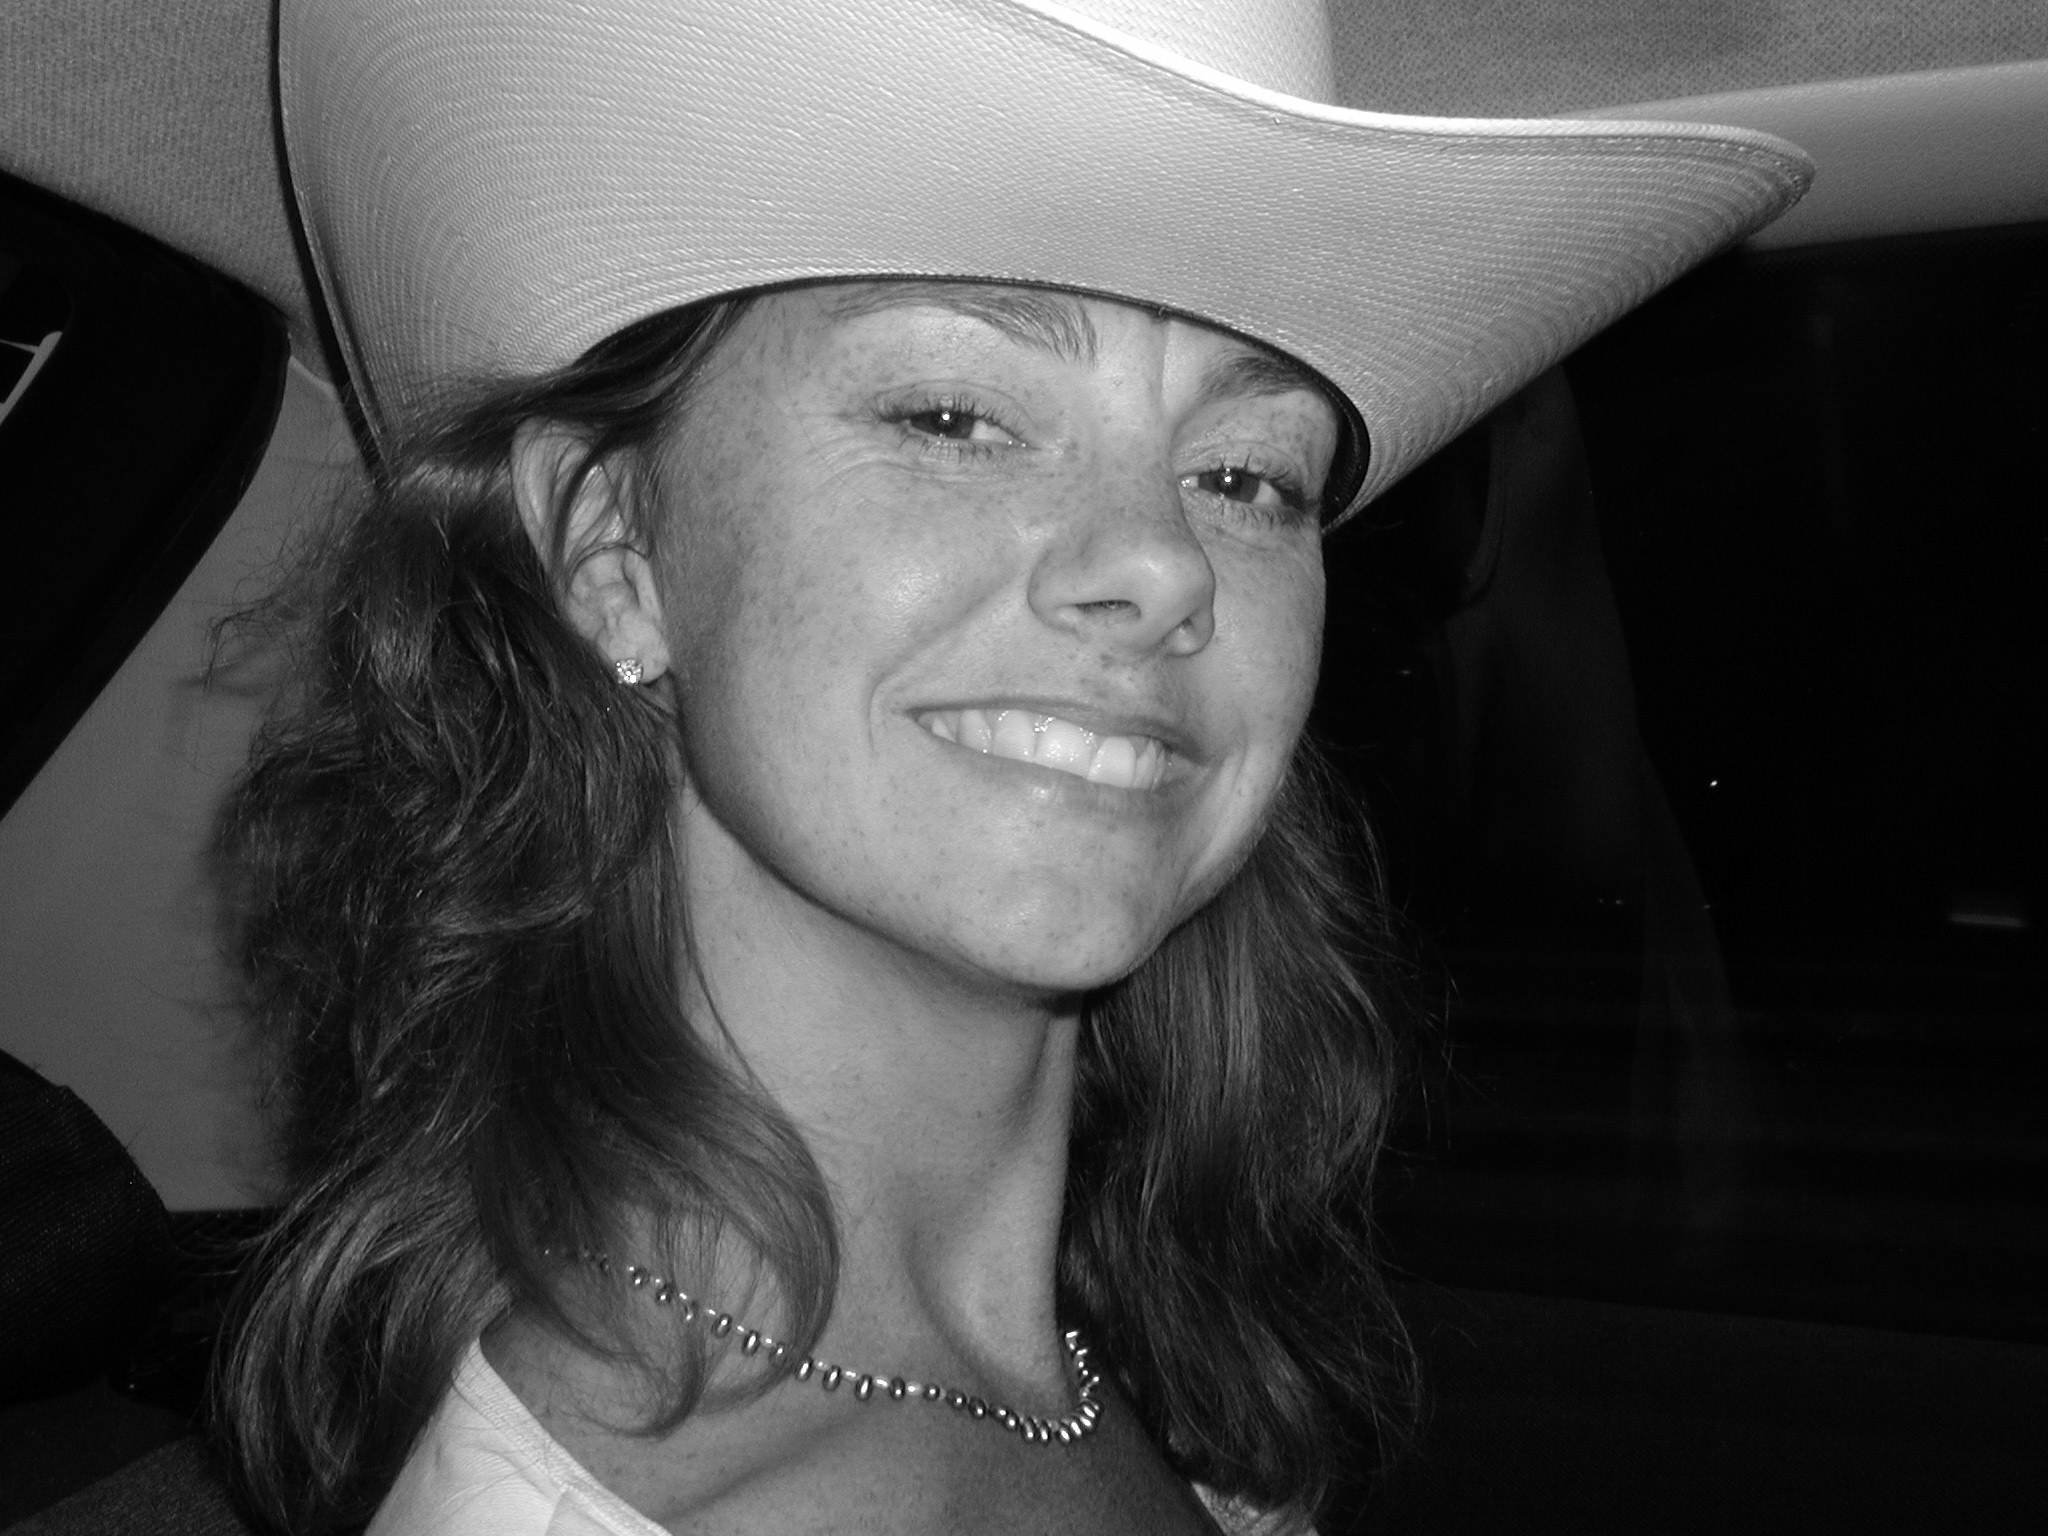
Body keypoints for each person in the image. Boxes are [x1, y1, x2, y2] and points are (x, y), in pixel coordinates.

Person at [217, 2, 1811, 1532]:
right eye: (954, 415)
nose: (1163, 565)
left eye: (1249, 478)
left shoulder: (1178, 1387)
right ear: (612, 547)